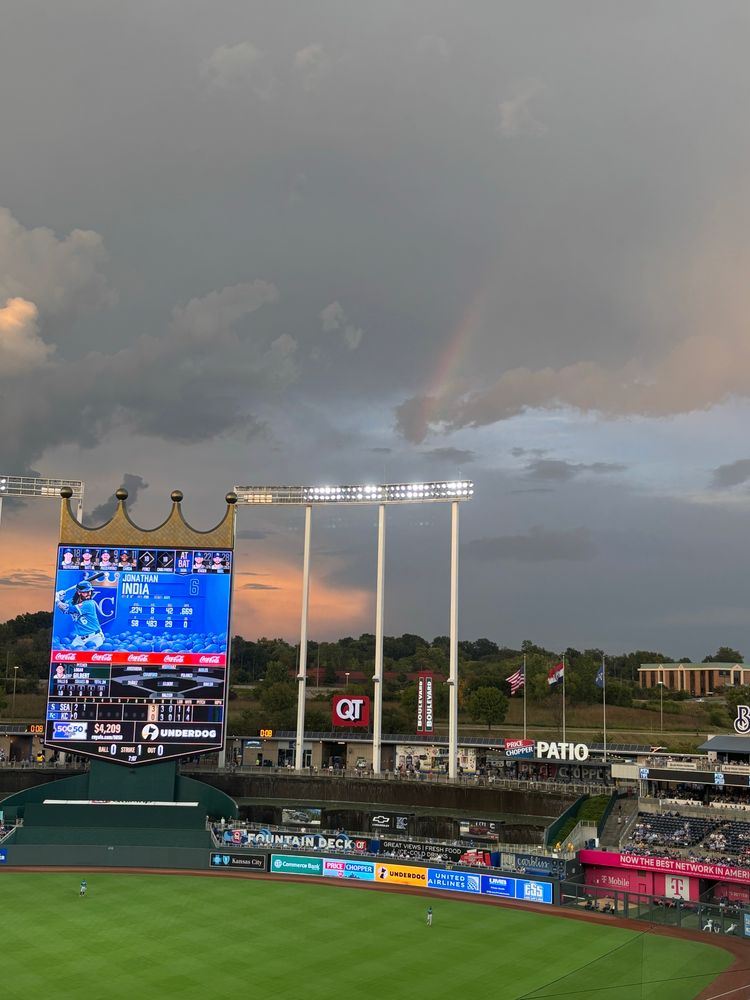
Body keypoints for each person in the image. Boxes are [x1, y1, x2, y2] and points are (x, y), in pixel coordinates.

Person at [56, 581, 105, 649]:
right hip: (80, 638)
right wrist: (61, 599)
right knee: (70, 653)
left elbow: (66, 608)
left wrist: (57, 600)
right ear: (79, 592)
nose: (88, 594)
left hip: (95, 637)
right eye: (85, 592)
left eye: (89, 591)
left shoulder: (89, 603)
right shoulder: (72, 601)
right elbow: (65, 609)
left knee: (91, 654)